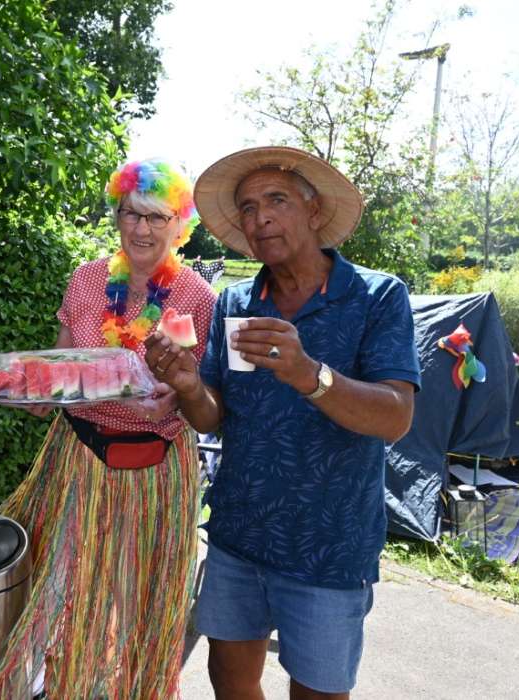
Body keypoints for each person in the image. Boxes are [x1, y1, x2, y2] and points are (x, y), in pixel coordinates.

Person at [145, 146, 420, 700]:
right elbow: (214, 416)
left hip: (329, 545)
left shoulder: (376, 297)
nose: (261, 217)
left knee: (317, 692)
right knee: (230, 682)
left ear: (314, 211)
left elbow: (396, 417)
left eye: (277, 200)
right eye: (248, 208)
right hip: (239, 534)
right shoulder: (236, 301)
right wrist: (189, 386)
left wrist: (309, 375)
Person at [0, 159, 217, 699]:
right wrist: (34, 395)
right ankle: (65, 686)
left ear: (179, 226)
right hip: (80, 459)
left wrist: (180, 399)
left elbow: (205, 394)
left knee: (138, 600)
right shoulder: (87, 280)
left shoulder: (197, 298)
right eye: (131, 213)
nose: (142, 229)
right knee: (65, 591)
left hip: (158, 468)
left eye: (157, 217)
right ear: (116, 216)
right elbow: (61, 365)